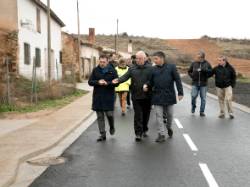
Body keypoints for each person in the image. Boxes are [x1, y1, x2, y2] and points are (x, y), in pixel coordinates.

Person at [112, 51, 153, 142]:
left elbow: (153, 80)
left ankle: (145, 128)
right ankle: (138, 133)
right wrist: (118, 80)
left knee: (146, 114)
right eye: (136, 58)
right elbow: (125, 77)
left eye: (140, 58)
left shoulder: (151, 68)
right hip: (136, 96)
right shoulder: (132, 68)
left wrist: (148, 85)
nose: (138, 60)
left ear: (145, 59)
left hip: (147, 96)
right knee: (138, 115)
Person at [144, 51, 183, 142]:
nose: (154, 61)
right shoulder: (153, 69)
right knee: (159, 115)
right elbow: (150, 81)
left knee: (169, 115)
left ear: (162, 58)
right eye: (154, 59)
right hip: (157, 96)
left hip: (169, 95)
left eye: (156, 59)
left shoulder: (171, 67)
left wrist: (180, 93)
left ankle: (169, 127)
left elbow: (178, 80)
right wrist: (146, 85)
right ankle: (161, 134)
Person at [88, 55, 118, 142]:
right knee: (100, 116)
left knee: (109, 114)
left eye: (103, 62)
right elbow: (90, 82)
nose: (102, 64)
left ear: (107, 62)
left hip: (109, 96)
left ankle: (112, 126)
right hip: (98, 97)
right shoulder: (95, 70)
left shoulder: (112, 70)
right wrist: (98, 82)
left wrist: (107, 83)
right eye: (100, 62)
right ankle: (102, 134)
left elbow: (116, 83)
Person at [188, 50, 213, 117]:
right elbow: (189, 71)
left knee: (203, 98)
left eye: (198, 57)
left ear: (202, 58)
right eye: (197, 57)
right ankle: (193, 107)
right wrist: (192, 76)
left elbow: (211, 72)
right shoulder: (194, 63)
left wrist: (204, 71)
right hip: (195, 83)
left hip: (203, 84)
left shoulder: (207, 64)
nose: (197, 58)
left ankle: (202, 112)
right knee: (193, 96)